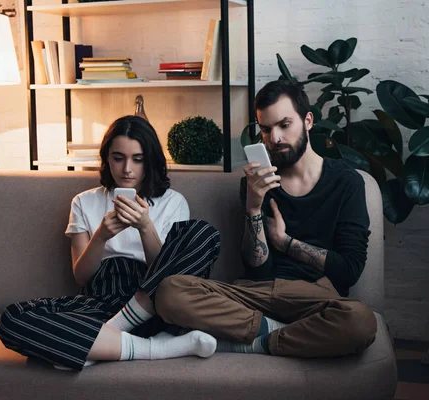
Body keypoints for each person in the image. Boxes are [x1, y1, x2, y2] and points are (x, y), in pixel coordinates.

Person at [152, 80, 377, 358]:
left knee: (361, 321)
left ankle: (256, 342)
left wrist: (285, 242)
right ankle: (281, 334)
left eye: (285, 125)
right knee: (169, 291)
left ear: (308, 121)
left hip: (314, 298)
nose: (275, 138)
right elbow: (257, 269)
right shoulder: (256, 183)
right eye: (266, 129)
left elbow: (349, 270)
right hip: (254, 295)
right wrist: (254, 208)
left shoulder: (347, 182)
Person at [0, 115, 221, 371]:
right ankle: (154, 347)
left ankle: (97, 340)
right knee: (12, 319)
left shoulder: (173, 202)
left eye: (138, 159)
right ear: (106, 158)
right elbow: (82, 277)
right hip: (99, 299)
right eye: (118, 158)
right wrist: (101, 236)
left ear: (151, 161)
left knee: (204, 234)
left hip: (152, 300)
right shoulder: (84, 202)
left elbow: (172, 277)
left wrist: (145, 226)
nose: (127, 169)